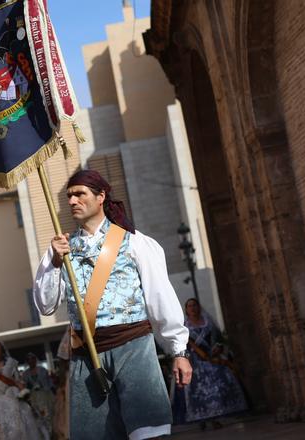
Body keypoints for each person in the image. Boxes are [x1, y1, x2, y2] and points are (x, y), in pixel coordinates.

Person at [33, 169, 192, 439]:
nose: (72, 201)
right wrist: (55, 264)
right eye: (69, 196)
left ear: (100, 196)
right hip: (86, 356)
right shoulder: (60, 248)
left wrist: (179, 351)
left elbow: (160, 297)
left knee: (148, 432)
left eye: (79, 194)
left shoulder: (135, 243)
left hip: (134, 349)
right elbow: (46, 306)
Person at [172, 298, 247, 428]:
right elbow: (184, 344)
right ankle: (202, 419)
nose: (193, 308)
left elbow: (218, 338)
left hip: (212, 358)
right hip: (195, 362)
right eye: (190, 306)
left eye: (195, 305)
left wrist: (218, 347)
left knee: (215, 388)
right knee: (199, 390)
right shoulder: (185, 326)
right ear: (186, 310)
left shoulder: (208, 323)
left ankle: (215, 418)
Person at [0, 342, 43, 440]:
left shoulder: (10, 363)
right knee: (1, 430)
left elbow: (17, 381)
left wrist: (24, 394)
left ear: (2, 351)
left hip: (10, 396)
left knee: (17, 427)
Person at [22, 353, 55, 437]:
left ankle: (51, 434)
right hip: (33, 397)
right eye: (29, 360)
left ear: (35, 360)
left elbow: (49, 383)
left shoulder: (42, 370)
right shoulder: (25, 374)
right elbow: (25, 387)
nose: (31, 361)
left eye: (32, 359)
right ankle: (44, 435)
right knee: (38, 416)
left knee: (48, 414)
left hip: (45, 395)